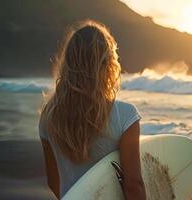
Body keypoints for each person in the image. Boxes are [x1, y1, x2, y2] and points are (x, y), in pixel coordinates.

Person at [39, 20, 146, 200]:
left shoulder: (49, 117)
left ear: (68, 64)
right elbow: (133, 185)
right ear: (108, 64)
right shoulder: (125, 116)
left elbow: (53, 182)